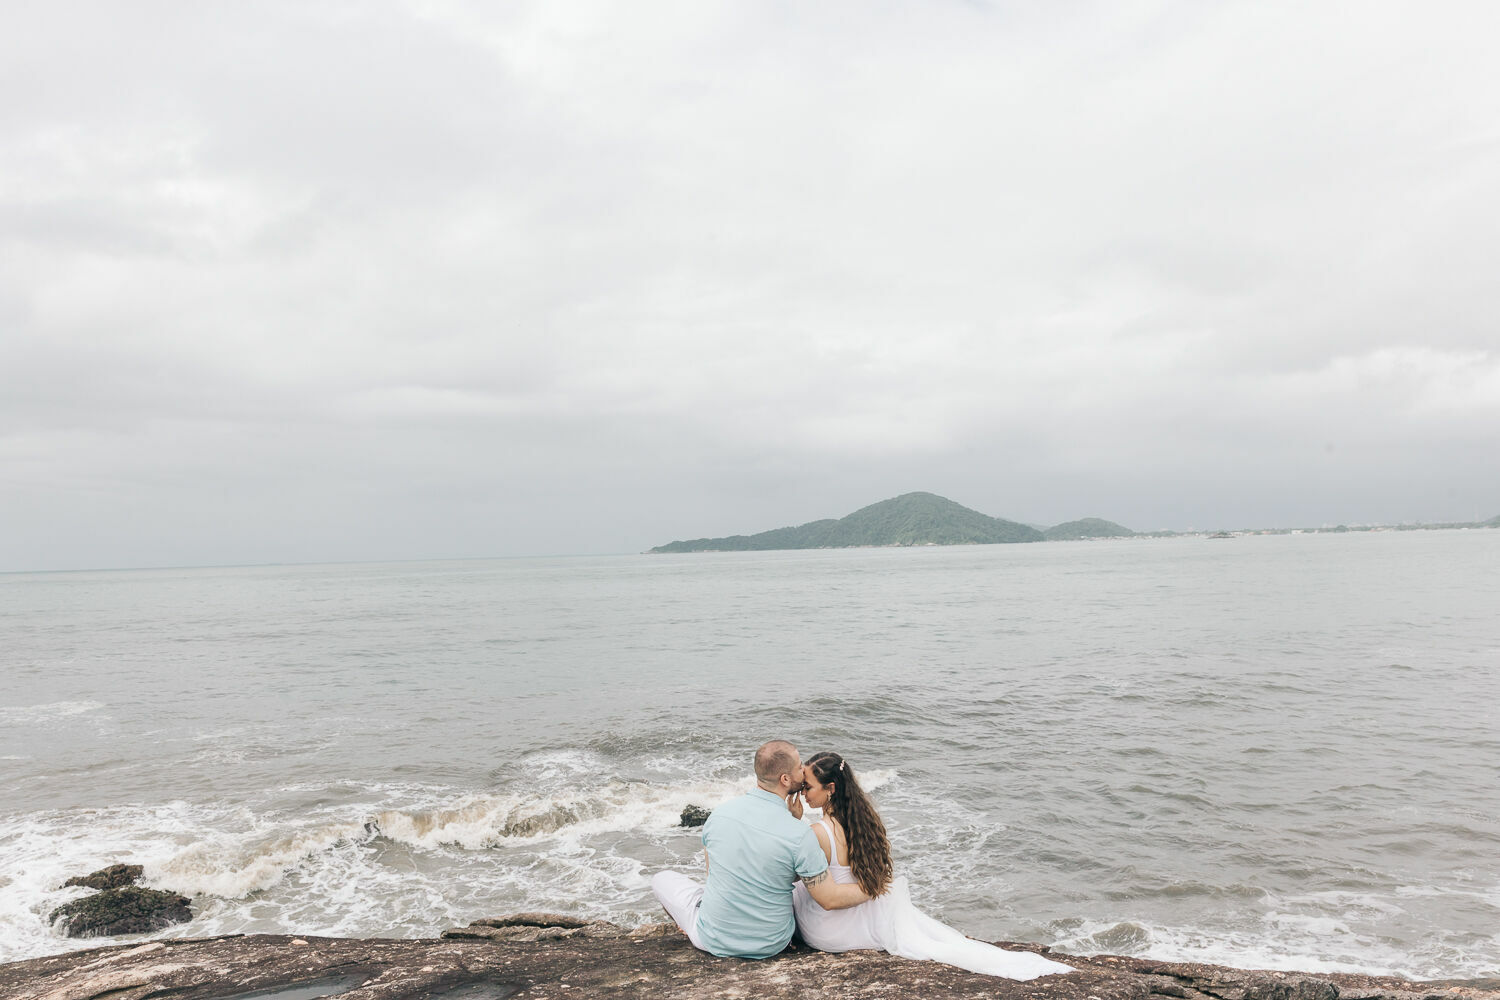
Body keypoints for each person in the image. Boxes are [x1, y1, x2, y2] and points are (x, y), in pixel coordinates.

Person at [791, 751, 1074, 980]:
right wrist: (877, 890)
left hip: (830, 933)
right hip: (863, 921)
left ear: (830, 789)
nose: (803, 793)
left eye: (808, 787)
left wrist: (793, 823)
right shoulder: (863, 821)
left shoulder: (819, 831)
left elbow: (810, 882)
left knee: (792, 888)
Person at [652, 740, 870, 958]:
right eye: (799, 766)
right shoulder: (799, 834)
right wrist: (875, 889)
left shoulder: (719, 815)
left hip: (712, 938)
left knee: (661, 879)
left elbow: (713, 877)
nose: (803, 771)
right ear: (785, 779)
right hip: (772, 942)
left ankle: (695, 921)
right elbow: (828, 898)